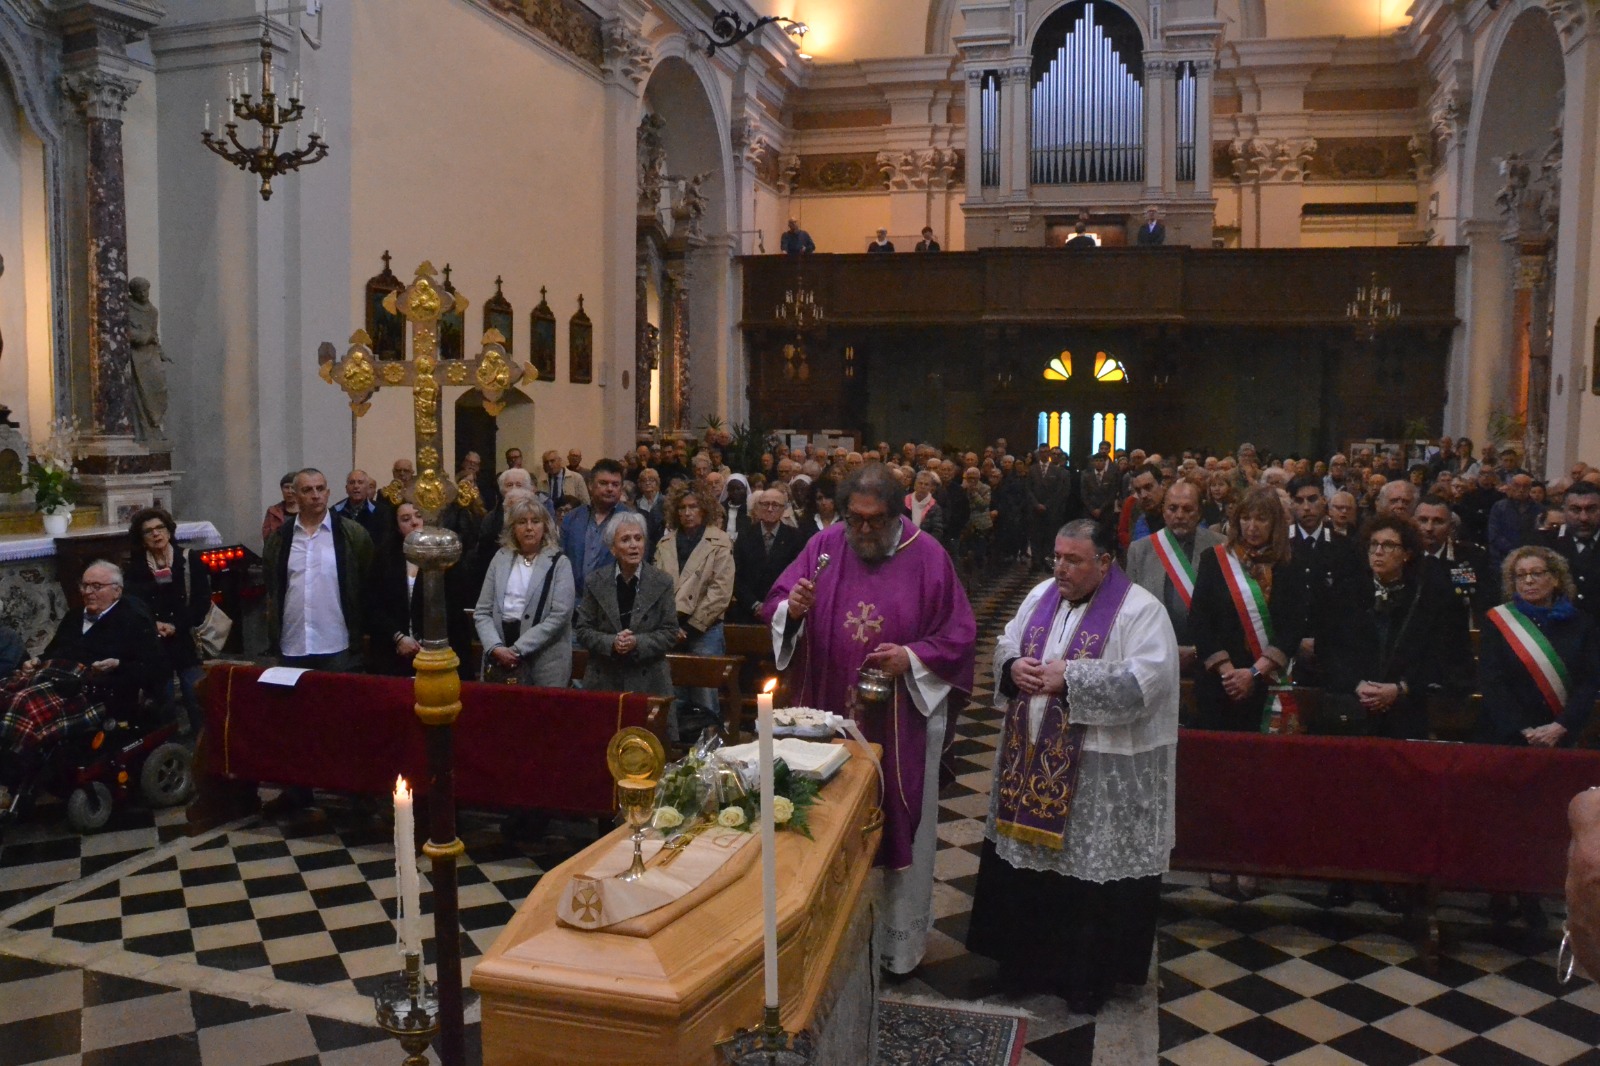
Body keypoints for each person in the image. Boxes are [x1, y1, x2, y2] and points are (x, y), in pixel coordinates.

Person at [764, 464, 976, 974]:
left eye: (874, 520)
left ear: (897, 512)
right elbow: (777, 601)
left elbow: (959, 636)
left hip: (901, 721)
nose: (862, 529)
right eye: (853, 518)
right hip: (828, 714)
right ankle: (827, 943)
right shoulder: (825, 545)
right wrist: (793, 609)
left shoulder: (929, 556)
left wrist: (912, 658)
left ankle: (895, 947)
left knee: (895, 821)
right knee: (826, 819)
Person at [966, 519, 1178, 1014]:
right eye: (1057, 557)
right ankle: (1022, 966)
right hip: (1029, 760)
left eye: (1073, 559)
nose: (1060, 568)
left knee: (1086, 878)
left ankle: (1084, 979)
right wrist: (1012, 666)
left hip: (1096, 773)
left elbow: (1147, 683)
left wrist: (1073, 677)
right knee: (1026, 869)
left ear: (1104, 562)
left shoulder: (1141, 611)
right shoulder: (1040, 595)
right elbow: (1007, 641)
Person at [0, 561, 166, 810]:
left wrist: (118, 664)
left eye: (96, 586)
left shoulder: (133, 619)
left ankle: (10, 781)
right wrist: (35, 662)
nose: (88, 592)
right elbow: (52, 652)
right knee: (5, 691)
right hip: (55, 677)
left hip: (96, 690)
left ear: (117, 591)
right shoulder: (74, 616)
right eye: (85, 585)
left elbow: (154, 668)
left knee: (24, 703)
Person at [1314, 514, 1464, 741]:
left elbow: (1439, 655)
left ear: (1407, 554)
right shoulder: (1345, 593)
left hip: (1406, 707)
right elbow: (1328, 649)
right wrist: (1356, 684)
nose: (1378, 551)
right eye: (1374, 544)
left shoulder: (1427, 598)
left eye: (1388, 545)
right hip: (1353, 706)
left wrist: (1401, 688)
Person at [1189, 487, 1306, 732]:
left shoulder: (1289, 563)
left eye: (1261, 519)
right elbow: (1200, 620)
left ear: (1275, 523)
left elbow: (1292, 627)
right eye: (1245, 518)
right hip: (1220, 682)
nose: (1252, 527)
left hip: (1267, 680)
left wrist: (1253, 673)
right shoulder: (1214, 559)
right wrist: (1229, 673)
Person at [1479, 546, 1600, 747]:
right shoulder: (1498, 622)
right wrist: (1524, 730)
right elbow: (1492, 682)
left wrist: (1561, 726)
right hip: (1509, 736)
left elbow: (1588, 682)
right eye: (1520, 575)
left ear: (1555, 578)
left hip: (1563, 733)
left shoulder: (1581, 624)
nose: (1528, 581)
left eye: (1536, 573)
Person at [263, 468, 375, 671]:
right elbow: (273, 585)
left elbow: (366, 580)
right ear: (295, 495)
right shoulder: (280, 539)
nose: (315, 495)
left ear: (328, 493)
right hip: (292, 641)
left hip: (336, 642)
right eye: (307, 490)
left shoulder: (351, 533)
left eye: (320, 489)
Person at [654, 484, 735, 734]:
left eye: (693, 507)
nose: (687, 513)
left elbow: (720, 591)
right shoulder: (665, 542)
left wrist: (690, 627)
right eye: (682, 508)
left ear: (704, 509)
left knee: (705, 695)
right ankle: (676, 744)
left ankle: (709, 746)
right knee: (673, 693)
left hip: (704, 628)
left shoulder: (719, 541)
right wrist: (671, 624)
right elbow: (655, 587)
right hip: (671, 626)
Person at [124, 507, 212, 733]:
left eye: (160, 528)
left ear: (169, 530)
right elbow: (132, 605)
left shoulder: (188, 559)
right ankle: (169, 746)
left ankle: (203, 744)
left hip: (185, 638)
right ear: (141, 538)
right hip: (155, 642)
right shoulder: (135, 568)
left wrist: (176, 626)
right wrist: (154, 625)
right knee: (163, 702)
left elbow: (201, 601)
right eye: (148, 531)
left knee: (196, 696)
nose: (156, 534)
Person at [474, 492, 575, 687]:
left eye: (535, 521)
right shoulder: (500, 558)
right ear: (513, 528)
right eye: (522, 522)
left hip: (544, 659)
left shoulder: (559, 562)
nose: (529, 528)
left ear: (545, 526)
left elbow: (560, 615)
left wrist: (517, 649)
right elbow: (482, 612)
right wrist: (495, 647)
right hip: (499, 652)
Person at [573, 512, 678, 698]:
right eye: (625, 539)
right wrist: (612, 642)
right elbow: (583, 630)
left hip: (649, 678)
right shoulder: (595, 581)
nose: (633, 545)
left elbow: (670, 632)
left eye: (638, 538)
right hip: (604, 677)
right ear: (613, 548)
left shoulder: (662, 582)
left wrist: (636, 642)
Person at [1125, 480, 1223, 664]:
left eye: (1187, 509)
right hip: (1155, 656)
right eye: (1172, 508)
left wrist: (1199, 650)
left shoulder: (1221, 546)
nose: (1179, 515)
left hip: (1211, 657)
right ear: (1163, 511)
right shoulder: (1139, 550)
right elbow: (1131, 610)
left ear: (1199, 513)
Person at [561, 459, 637, 598]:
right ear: (590, 485)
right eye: (603, 483)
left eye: (615, 484)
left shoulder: (632, 521)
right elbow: (562, 561)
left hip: (614, 600)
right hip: (574, 600)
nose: (610, 489)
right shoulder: (572, 518)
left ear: (621, 488)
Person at [369, 501, 429, 677]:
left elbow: (450, 606)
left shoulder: (441, 556)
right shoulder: (384, 556)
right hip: (393, 648)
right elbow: (373, 604)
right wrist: (399, 638)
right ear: (396, 526)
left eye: (419, 516)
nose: (414, 522)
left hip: (432, 649)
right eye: (406, 519)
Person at [730, 488, 806, 624]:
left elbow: (797, 575)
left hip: (784, 611)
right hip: (748, 611)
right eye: (765, 504)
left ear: (783, 509)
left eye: (775, 505)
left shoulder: (795, 537)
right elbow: (735, 575)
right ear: (758, 507)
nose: (770, 509)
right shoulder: (745, 535)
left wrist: (777, 605)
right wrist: (754, 605)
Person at [1544, 480, 1600, 624]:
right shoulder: (1546, 543)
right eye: (1575, 510)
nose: (1584, 518)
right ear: (1564, 510)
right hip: (1559, 627)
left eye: (1591, 509)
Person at [261, 471, 299, 545]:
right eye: (286, 487)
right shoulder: (273, 511)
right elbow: (267, 537)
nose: (290, 491)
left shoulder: (308, 511)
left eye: (293, 487)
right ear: (281, 489)